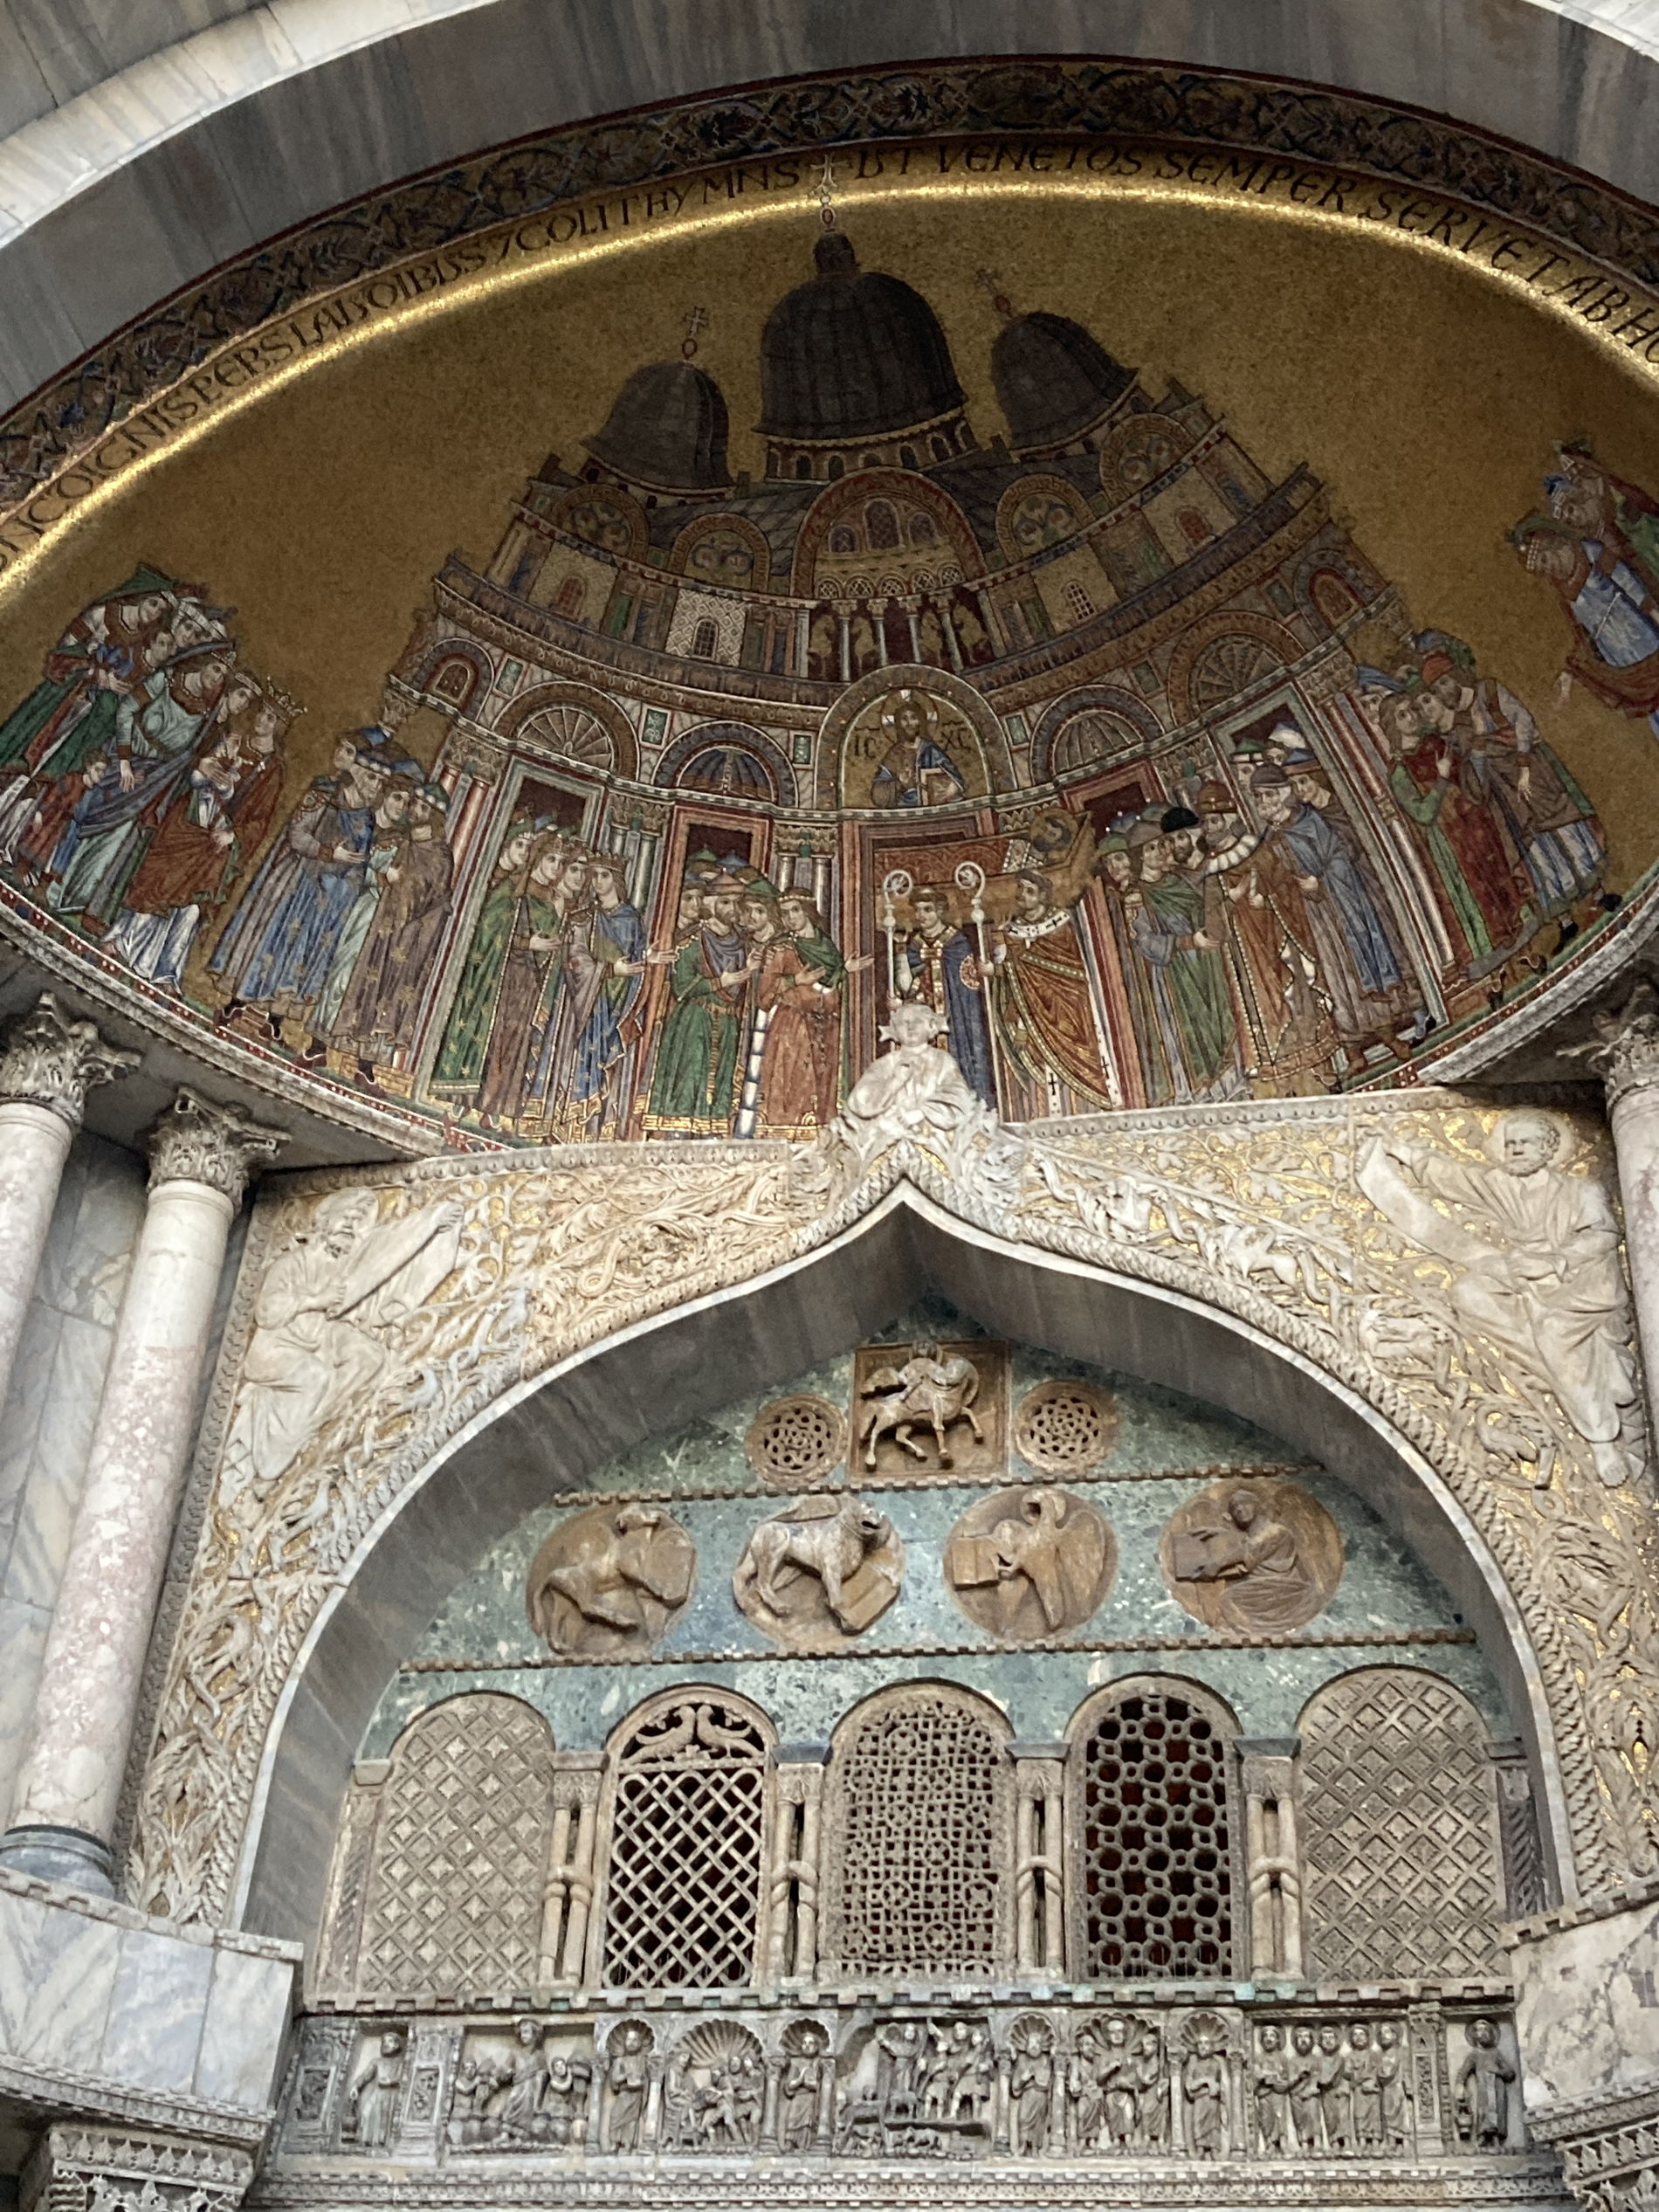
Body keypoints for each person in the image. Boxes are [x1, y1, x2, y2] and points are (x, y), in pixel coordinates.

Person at [104, 680, 295, 992]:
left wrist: (233, 835)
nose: (261, 719)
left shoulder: (273, 770)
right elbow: (193, 763)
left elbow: (261, 819)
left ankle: (165, 971)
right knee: (161, 879)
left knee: (193, 902)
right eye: (262, 712)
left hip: (217, 840)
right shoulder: (231, 740)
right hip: (189, 819)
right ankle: (122, 940)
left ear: (280, 727)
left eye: (270, 718)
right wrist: (203, 766)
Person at [209, 728, 390, 1035]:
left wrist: (343, 889)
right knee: (270, 938)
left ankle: (275, 1020)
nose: (376, 787)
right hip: (295, 881)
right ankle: (237, 1003)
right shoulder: (323, 793)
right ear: (358, 771)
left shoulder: (367, 820)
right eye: (373, 777)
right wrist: (328, 853)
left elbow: (359, 864)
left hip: (325, 896)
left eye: (382, 782)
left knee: (300, 954)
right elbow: (297, 834)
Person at [1130, 810, 1240, 1099]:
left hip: (1206, 962)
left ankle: (1231, 1084)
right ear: (1138, 856)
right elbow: (1144, 940)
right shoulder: (1136, 895)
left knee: (1219, 1019)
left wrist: (1228, 903)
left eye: (1161, 845)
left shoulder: (1177, 880)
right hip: (1175, 974)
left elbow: (1203, 910)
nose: (1159, 852)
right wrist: (1188, 941)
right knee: (1194, 1029)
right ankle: (1206, 1091)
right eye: (1150, 848)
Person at [989, 868, 1116, 1112]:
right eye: (1020, 888)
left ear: (1043, 896)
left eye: (1030, 891)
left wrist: (1009, 964)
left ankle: (1088, 1107)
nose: (1022, 895)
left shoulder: (1060, 923)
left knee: (1078, 1054)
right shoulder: (1012, 930)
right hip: (1031, 1014)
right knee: (1042, 1066)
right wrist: (999, 950)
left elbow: (1069, 965)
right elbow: (1009, 976)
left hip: (1067, 1005)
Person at [430, 823, 538, 1093]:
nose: (524, 852)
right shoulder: (487, 876)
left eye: (528, 847)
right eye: (519, 845)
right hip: (465, 960)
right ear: (505, 844)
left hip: (489, 966)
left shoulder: (514, 888)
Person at [644, 875, 752, 1136]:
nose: (733, 908)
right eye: (725, 902)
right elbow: (682, 986)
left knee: (722, 1080)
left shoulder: (743, 943)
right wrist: (719, 982)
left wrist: (753, 972)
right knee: (689, 1079)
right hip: (695, 1020)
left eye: (737, 902)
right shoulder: (693, 940)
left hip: (729, 1022)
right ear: (711, 903)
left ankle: (712, 1134)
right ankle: (678, 1134)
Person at [895, 883, 995, 1106]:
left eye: (927, 909)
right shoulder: (914, 946)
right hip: (924, 1015)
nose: (921, 915)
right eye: (918, 910)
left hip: (955, 1016)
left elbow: (969, 985)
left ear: (940, 911)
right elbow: (905, 986)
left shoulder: (956, 942)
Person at [870, 690, 967, 807]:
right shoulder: (894, 755)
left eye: (913, 718)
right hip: (903, 809)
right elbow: (877, 795)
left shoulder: (931, 751)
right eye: (904, 719)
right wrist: (899, 783)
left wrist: (941, 786)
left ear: (921, 721)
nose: (909, 723)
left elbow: (956, 782)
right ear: (899, 724)